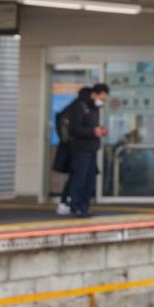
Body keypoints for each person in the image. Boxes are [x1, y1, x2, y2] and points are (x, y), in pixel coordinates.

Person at [65, 83, 109, 217]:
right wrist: (93, 131)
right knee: (80, 178)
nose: (102, 101)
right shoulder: (80, 105)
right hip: (80, 149)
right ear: (95, 93)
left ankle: (85, 206)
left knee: (90, 180)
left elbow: (91, 125)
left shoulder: (93, 107)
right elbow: (74, 129)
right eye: (101, 97)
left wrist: (100, 129)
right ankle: (75, 206)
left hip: (92, 149)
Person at [53, 85, 90, 214]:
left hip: (69, 146)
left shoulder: (72, 106)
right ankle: (66, 202)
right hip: (73, 147)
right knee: (76, 177)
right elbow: (74, 129)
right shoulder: (78, 107)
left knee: (74, 176)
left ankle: (65, 202)